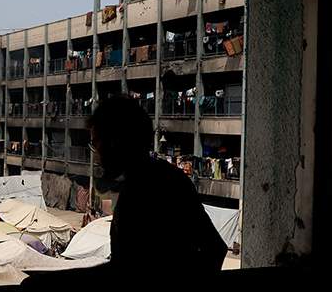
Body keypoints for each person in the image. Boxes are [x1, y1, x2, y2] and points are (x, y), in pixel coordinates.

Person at [88, 95, 227, 278]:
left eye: (95, 143)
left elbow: (215, 248)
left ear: (114, 142)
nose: (95, 154)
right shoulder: (148, 182)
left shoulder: (159, 186)